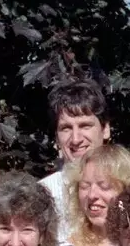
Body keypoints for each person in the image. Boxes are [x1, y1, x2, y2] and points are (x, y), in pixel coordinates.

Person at [39, 78, 112, 225]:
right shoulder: (41, 196)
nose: (76, 139)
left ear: (105, 130)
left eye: (85, 126)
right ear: (56, 137)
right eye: (66, 128)